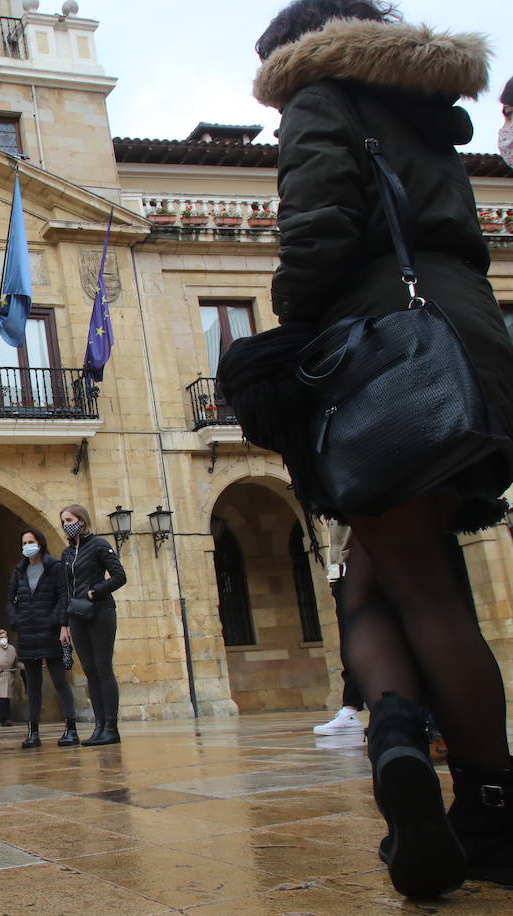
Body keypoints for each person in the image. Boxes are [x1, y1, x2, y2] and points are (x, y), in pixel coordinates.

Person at [238, 0, 513, 896]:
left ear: (298, 50)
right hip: (465, 343)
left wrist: (294, 324)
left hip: (385, 347)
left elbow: (319, 222)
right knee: (380, 571)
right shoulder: (429, 107)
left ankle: (484, 805)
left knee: (419, 585)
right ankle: (397, 741)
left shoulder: (324, 98)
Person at [60, 505, 126, 747]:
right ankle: (99, 726)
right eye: (63, 521)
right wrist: (64, 623)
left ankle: (111, 726)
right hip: (77, 615)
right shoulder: (67, 554)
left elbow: (120, 576)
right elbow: (66, 589)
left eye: (69, 519)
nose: (66, 524)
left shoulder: (98, 545)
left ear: (81, 520)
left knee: (103, 668)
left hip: (100, 611)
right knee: (88, 669)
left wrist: (94, 592)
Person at [7, 528, 78, 749]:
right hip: (27, 633)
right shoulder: (19, 571)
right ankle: (33, 732)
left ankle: (71, 729)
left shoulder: (55, 567)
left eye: (31, 541)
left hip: (50, 631)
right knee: (33, 684)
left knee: (60, 681)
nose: (27, 545)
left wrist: (57, 623)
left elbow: (63, 596)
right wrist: (15, 621)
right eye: (24, 542)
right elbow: (10, 599)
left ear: (40, 542)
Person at [313, 521, 364, 735]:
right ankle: (351, 707)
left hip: (357, 566)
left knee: (356, 641)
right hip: (343, 569)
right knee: (352, 643)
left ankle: (353, 708)